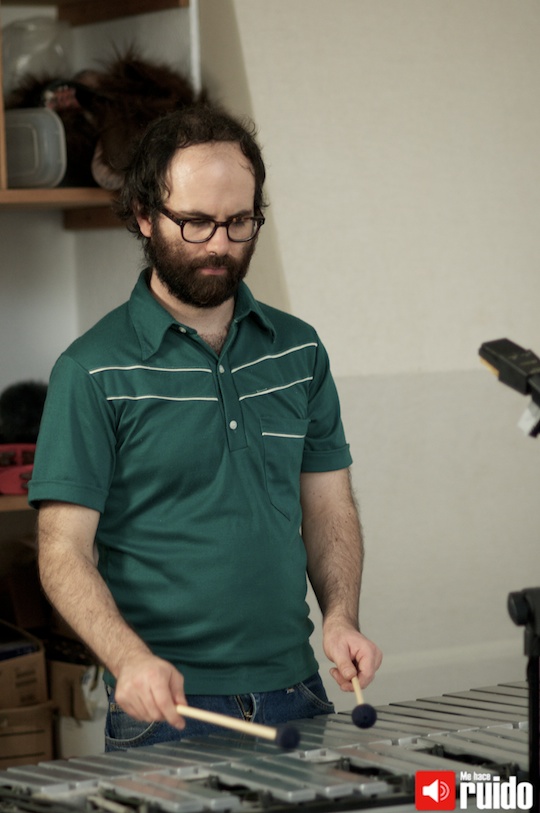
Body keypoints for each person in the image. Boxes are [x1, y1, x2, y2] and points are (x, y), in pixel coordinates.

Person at [29, 104, 382, 750]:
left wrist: (340, 617)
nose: (220, 244)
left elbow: (329, 508)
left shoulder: (299, 350)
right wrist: (128, 659)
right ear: (144, 215)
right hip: (166, 708)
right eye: (195, 222)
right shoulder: (92, 369)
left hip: (298, 690)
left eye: (239, 221)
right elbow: (61, 552)